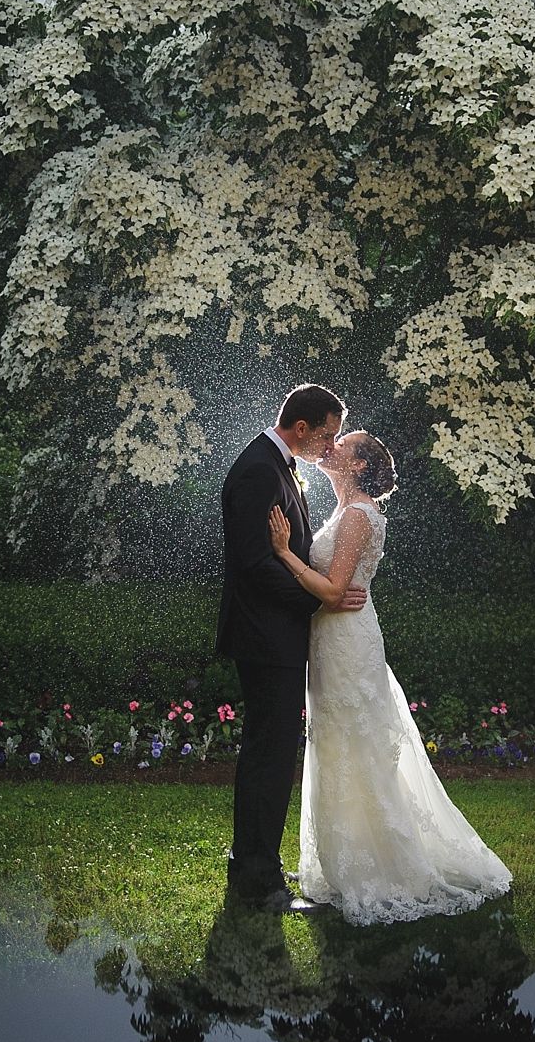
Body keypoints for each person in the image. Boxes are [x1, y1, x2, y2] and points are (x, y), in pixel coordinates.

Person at [268, 430, 513, 926]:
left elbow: (336, 590)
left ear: (359, 467)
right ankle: (340, 864)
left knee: (353, 747)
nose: (330, 447)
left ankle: (374, 870)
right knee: (337, 746)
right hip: (334, 638)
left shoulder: (358, 516)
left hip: (346, 640)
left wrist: (283, 552)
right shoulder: (345, 512)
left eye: (343, 445)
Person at [215, 384, 367, 912]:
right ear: (300, 428)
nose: (329, 446)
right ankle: (256, 877)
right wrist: (317, 603)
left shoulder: (279, 467)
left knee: (273, 754)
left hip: (275, 636)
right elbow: (255, 564)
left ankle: (254, 869)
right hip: (265, 636)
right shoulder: (260, 469)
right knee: (269, 757)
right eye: (325, 434)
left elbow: (283, 555)